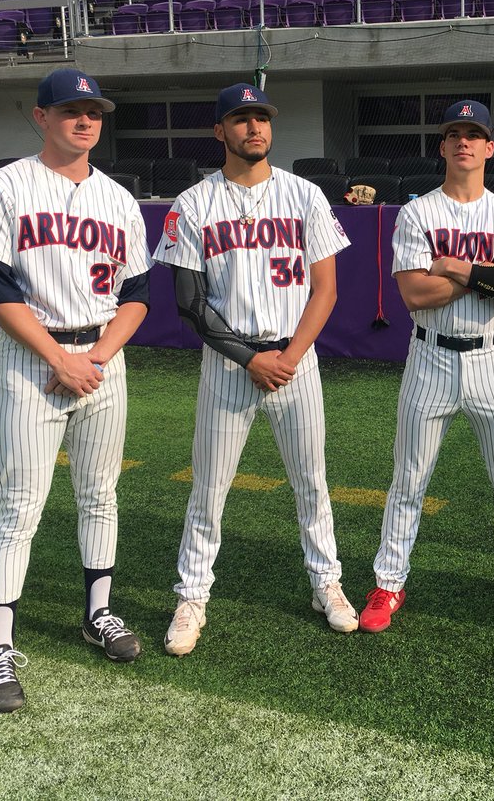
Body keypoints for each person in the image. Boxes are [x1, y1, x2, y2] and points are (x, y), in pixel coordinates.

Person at [0, 67, 152, 713]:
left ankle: (99, 612)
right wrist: (58, 359)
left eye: (92, 110)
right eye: (69, 110)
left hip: (101, 357)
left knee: (100, 494)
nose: (84, 119)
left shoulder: (120, 200)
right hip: (33, 360)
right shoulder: (3, 187)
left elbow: (138, 296)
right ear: (41, 117)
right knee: (19, 506)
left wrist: (95, 356)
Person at [153, 83, 357, 654]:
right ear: (220, 131)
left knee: (311, 483)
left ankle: (327, 583)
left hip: (295, 360)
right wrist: (250, 358)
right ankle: (192, 596)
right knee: (209, 490)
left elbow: (326, 290)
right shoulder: (193, 203)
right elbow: (190, 303)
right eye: (240, 120)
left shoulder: (305, 195)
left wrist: (287, 358)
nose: (254, 129)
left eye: (260, 118)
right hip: (228, 364)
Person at [359, 99, 494, 633]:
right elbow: (414, 294)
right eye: (454, 133)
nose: (463, 142)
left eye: (473, 134)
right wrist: (484, 274)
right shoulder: (418, 212)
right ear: (443, 146)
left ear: (490, 147)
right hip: (430, 355)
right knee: (409, 479)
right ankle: (388, 584)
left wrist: (455, 266)